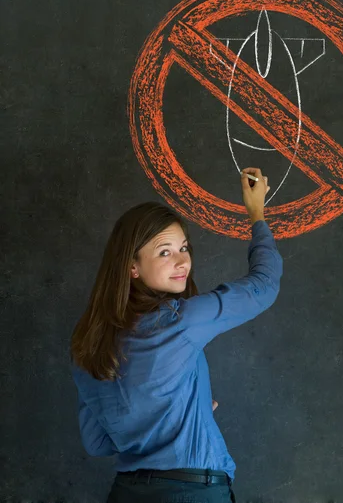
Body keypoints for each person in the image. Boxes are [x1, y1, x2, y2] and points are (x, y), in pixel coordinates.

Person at [69, 168, 283, 503]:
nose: (183, 260)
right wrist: (257, 213)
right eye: (164, 251)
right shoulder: (180, 321)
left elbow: (97, 443)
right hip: (191, 493)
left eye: (184, 248)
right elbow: (264, 286)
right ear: (132, 267)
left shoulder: (87, 343)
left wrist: (175, 416)